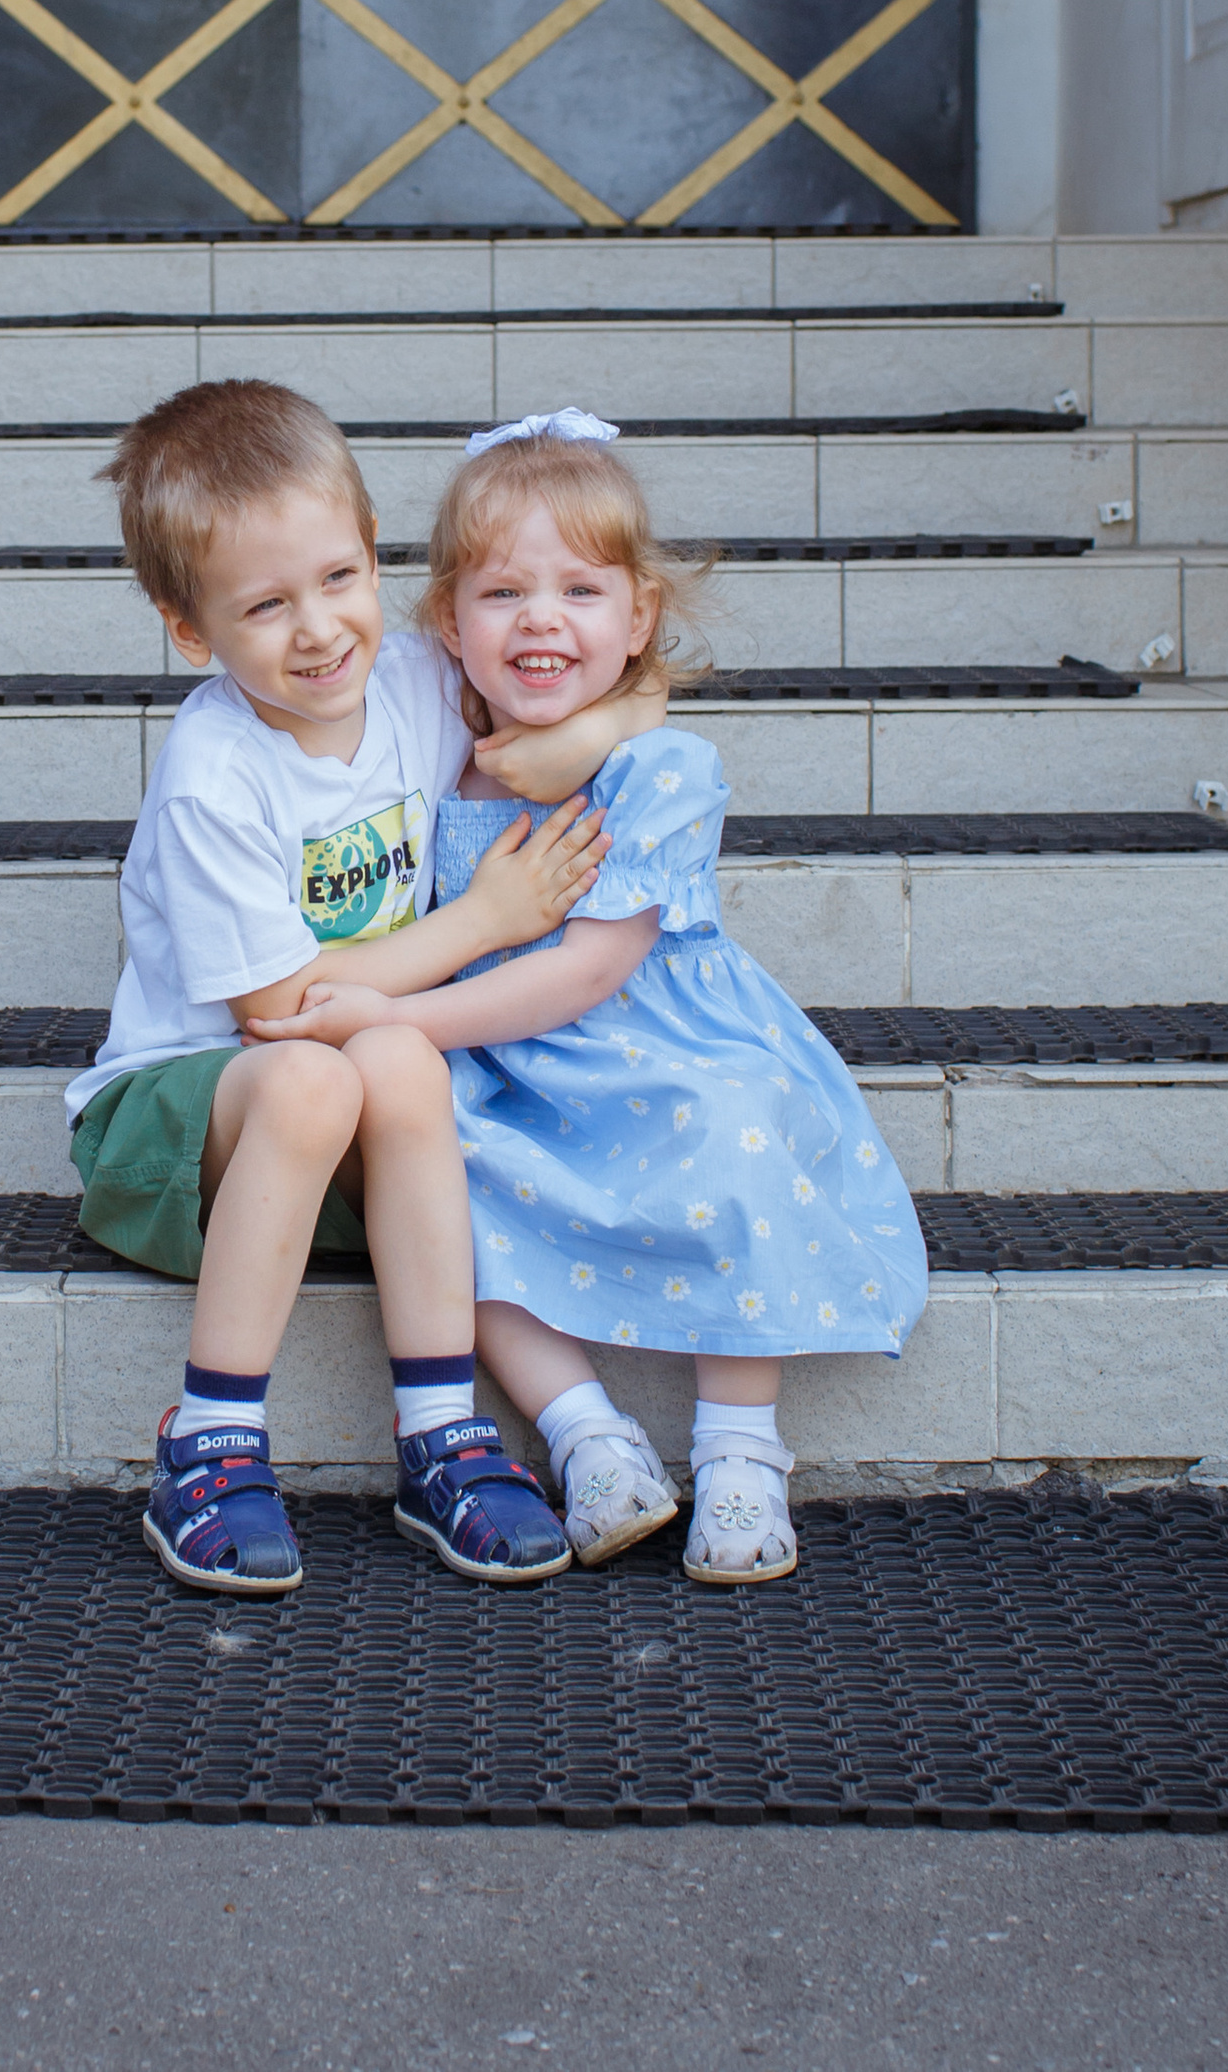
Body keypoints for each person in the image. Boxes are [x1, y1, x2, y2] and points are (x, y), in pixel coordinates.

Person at [247, 412, 929, 1584]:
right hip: (505, 1061)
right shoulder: (437, 762)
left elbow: (591, 969)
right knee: (439, 1177)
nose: (541, 619)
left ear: (638, 617)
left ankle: (740, 1448)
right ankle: (585, 1435)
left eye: (579, 590)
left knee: (732, 1124)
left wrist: (392, 1018)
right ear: (448, 623)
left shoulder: (665, 767)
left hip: (658, 1039)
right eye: (503, 593)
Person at [66, 378, 650, 1596]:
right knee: (315, 1078)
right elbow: (280, 1014)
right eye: (264, 605)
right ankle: (209, 1441)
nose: (319, 629)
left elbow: (604, 681)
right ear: (189, 629)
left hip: (351, 1115)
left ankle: (440, 1433)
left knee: (392, 1058)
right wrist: (486, 920)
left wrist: (601, 727)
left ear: (376, 555)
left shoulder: (417, 683)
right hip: (175, 1127)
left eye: (339, 578)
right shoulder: (215, 772)